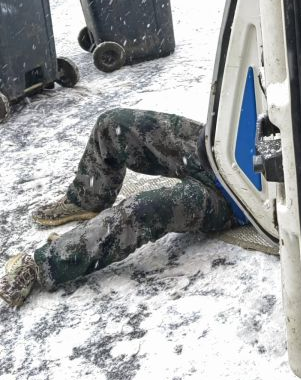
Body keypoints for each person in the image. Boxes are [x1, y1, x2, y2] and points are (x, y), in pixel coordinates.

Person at [0, 108, 237, 308]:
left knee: (143, 211)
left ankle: (47, 264)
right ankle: (87, 198)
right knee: (112, 125)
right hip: (221, 145)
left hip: (238, 195)